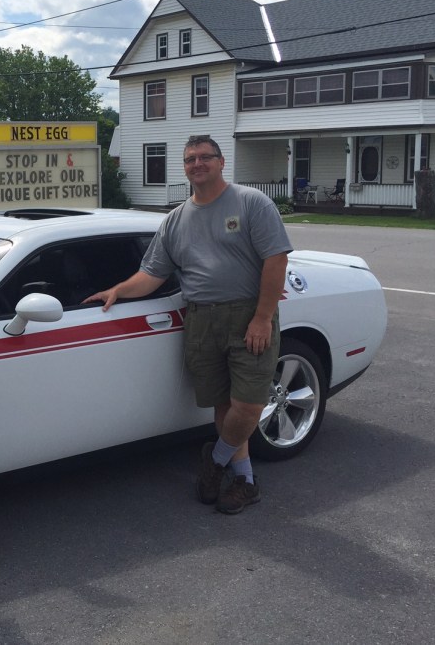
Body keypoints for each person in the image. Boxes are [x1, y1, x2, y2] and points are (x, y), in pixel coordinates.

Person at [84, 135, 291, 514]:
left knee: (248, 404)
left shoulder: (250, 203)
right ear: (184, 167)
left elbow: (276, 260)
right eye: (190, 159)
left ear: (221, 161)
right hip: (200, 318)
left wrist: (262, 318)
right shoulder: (176, 219)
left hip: (248, 315)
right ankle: (244, 480)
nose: (197, 164)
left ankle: (214, 461)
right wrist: (117, 291)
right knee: (221, 404)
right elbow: (152, 274)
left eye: (205, 157)